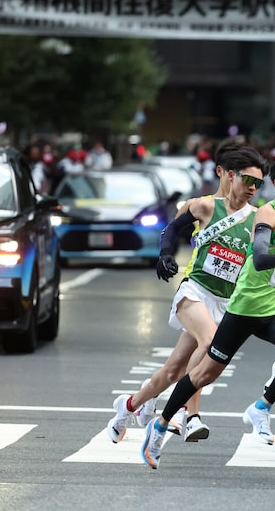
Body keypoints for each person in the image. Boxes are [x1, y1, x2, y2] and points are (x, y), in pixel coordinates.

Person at [139, 156, 275, 469]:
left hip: (273, 312)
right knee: (203, 374)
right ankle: (161, 424)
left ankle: (261, 407)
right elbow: (261, 258)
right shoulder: (266, 213)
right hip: (242, 310)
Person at [105, 143, 257, 443]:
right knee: (209, 342)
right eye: (248, 179)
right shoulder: (204, 206)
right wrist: (165, 255)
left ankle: (128, 405)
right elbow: (171, 230)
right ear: (226, 174)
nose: (253, 187)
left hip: (225, 300)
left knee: (173, 370)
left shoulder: (257, 217)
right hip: (195, 291)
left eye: (258, 183)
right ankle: (191, 414)